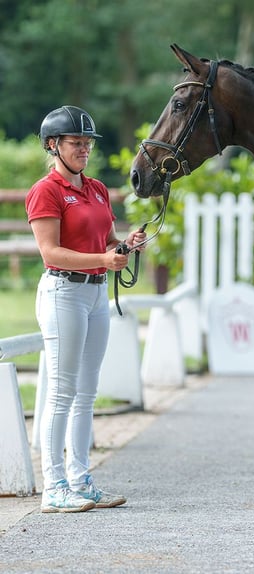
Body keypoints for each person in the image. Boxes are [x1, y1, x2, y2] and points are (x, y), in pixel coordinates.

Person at [26, 105, 146, 513]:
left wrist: (125, 246)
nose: (84, 149)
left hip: (96, 295)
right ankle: (53, 485)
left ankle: (80, 478)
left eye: (87, 143)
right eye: (76, 143)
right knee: (62, 392)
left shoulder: (95, 188)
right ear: (53, 145)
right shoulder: (46, 191)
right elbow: (50, 251)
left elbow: (108, 240)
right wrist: (102, 260)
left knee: (86, 393)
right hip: (63, 293)